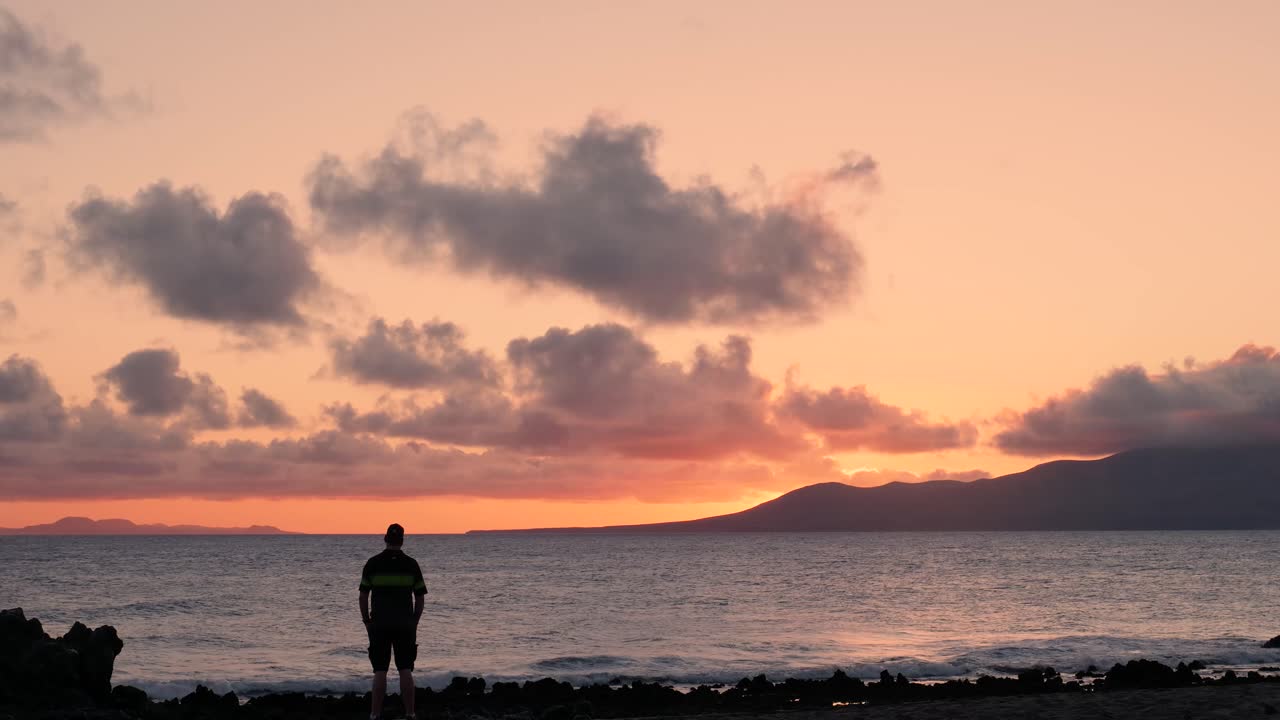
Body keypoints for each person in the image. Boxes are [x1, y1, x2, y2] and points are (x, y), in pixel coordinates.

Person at [359, 523, 427, 720]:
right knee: (405, 669)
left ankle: (374, 714)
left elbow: (363, 596)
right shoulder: (411, 564)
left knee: (380, 670)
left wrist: (366, 620)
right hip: (405, 624)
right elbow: (420, 597)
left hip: (379, 624)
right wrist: (415, 620)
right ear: (402, 541)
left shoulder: (372, 563)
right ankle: (410, 713)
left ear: (385, 539)